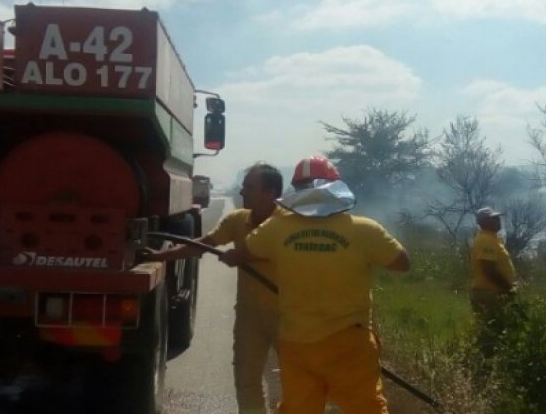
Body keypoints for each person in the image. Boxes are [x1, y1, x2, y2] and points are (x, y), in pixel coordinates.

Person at [222, 155, 410, 414]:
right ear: (335, 187)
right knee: (366, 408)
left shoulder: (276, 228)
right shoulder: (366, 230)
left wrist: (232, 256)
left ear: (296, 191)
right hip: (349, 344)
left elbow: (244, 253)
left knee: (299, 408)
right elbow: (402, 263)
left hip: (297, 343)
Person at [141, 163, 284, 414]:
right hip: (250, 318)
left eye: (249, 187)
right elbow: (202, 245)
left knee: (296, 383)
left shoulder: (290, 226)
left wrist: (243, 256)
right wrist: (162, 257)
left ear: (270, 192)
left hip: (289, 317)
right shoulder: (238, 220)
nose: (242, 191)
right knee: (247, 383)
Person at [470, 206, 517, 353]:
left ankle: (484, 363)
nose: (498, 220)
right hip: (490, 293)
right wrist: (508, 287)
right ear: (485, 222)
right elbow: (489, 269)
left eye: (498, 217)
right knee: (493, 333)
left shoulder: (490, 238)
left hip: (490, 292)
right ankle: (487, 365)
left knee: (491, 331)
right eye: (494, 218)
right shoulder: (486, 240)